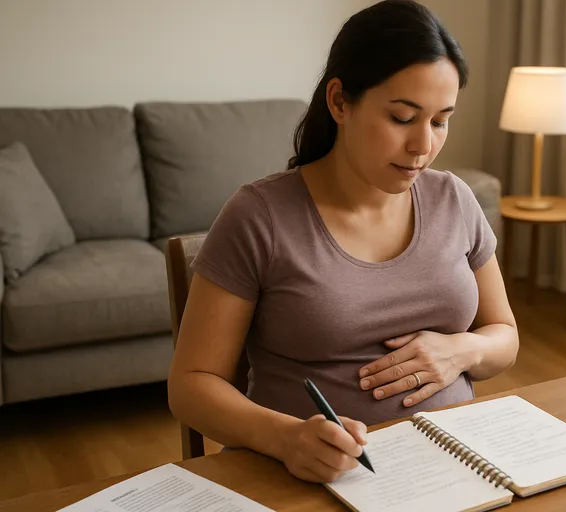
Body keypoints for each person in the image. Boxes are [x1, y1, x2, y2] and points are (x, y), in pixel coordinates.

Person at [167, 0, 519, 485]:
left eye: (439, 121)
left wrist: (463, 351)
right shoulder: (260, 216)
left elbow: (504, 333)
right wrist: (286, 438)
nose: (423, 145)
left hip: (453, 468)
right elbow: (190, 386)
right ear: (339, 102)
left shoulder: (454, 199)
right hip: (310, 481)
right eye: (402, 117)